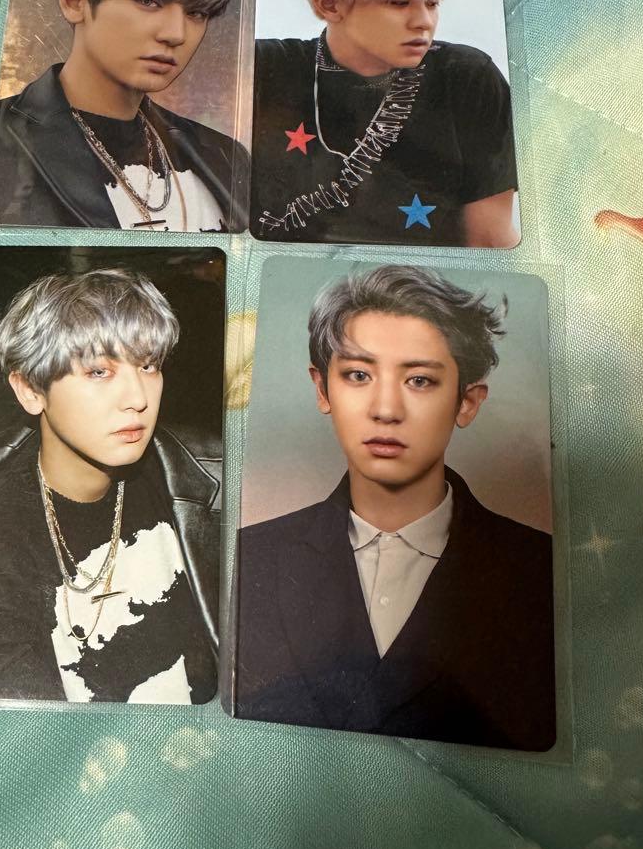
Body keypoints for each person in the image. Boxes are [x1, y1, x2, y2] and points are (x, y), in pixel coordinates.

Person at [235, 265, 555, 749]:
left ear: (467, 402)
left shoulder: (539, 571)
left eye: (420, 380)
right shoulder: (250, 557)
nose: (385, 409)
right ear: (322, 389)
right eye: (358, 375)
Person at [0, 269, 222, 703]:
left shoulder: (209, 479)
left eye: (148, 366)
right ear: (30, 390)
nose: (138, 398)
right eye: (99, 372)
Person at [251, 0, 518, 247]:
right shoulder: (264, 65)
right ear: (329, 4)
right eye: (399, 2)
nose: (424, 22)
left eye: (432, 3)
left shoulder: (466, 77)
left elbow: (490, 238)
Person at [0, 0, 249, 232]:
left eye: (197, 12)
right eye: (148, 2)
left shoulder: (224, 155)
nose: (176, 34)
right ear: (74, 0)